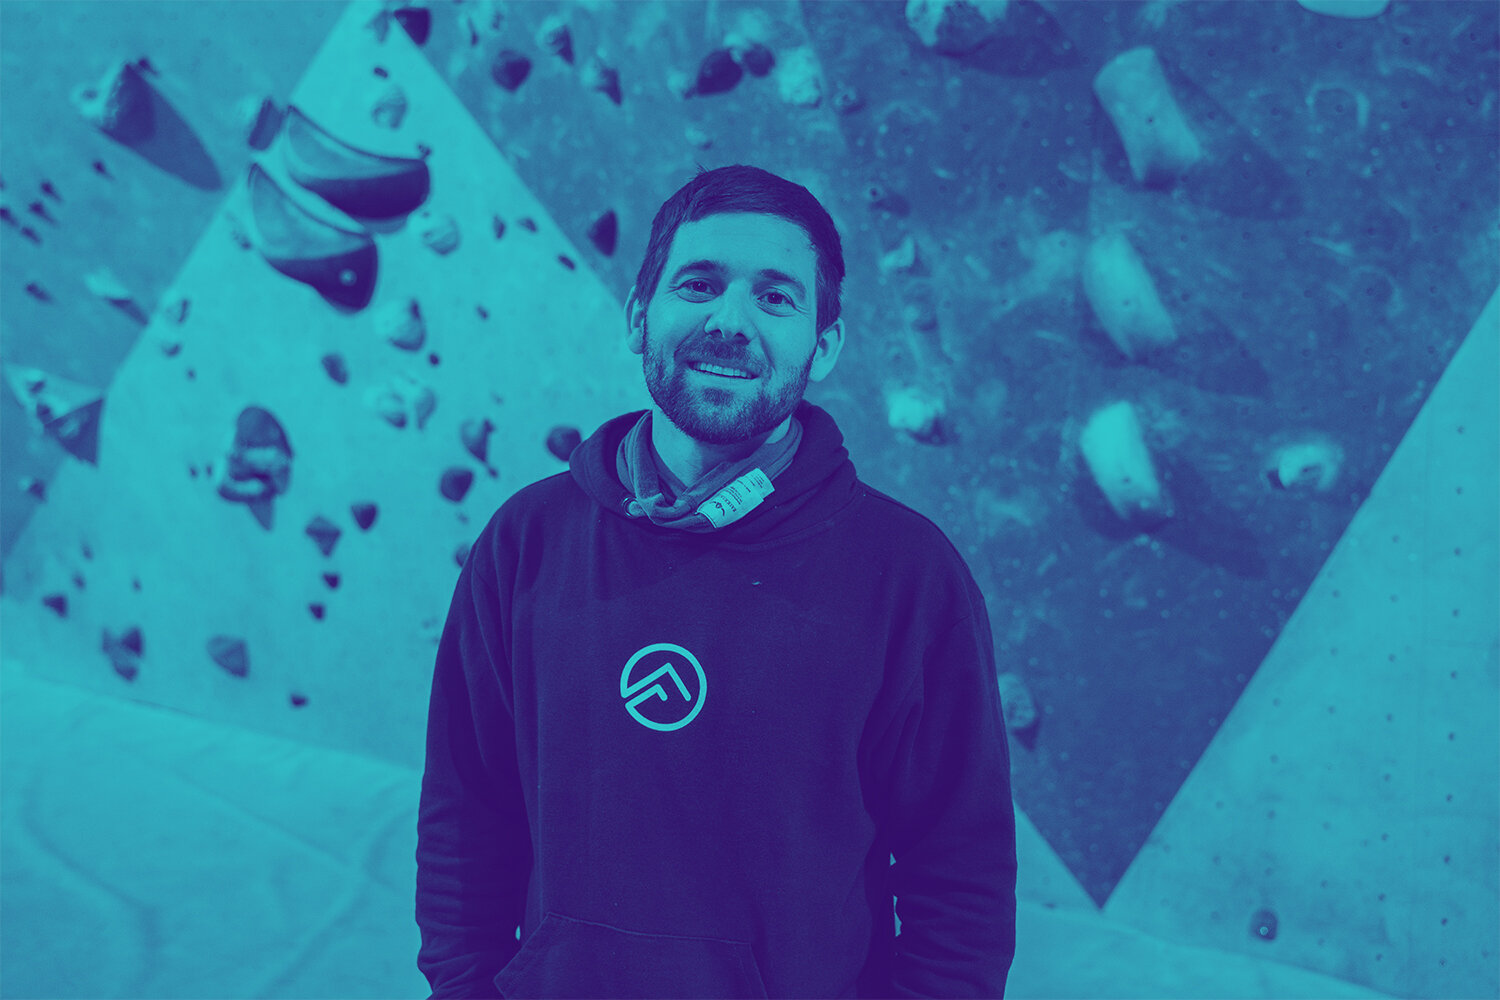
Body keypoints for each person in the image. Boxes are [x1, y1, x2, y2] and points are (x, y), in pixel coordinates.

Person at [415, 164, 1017, 999]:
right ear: (639, 316)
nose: (730, 322)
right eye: (698, 285)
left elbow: (960, 877)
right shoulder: (526, 543)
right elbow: (466, 811)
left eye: (776, 298)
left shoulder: (910, 577)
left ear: (824, 346)